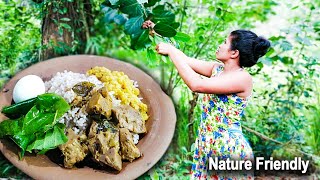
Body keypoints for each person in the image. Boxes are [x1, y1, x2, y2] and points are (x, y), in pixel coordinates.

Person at [155, 30, 270, 179]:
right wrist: (156, 32)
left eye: (224, 42)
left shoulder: (242, 78)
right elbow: (184, 60)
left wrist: (170, 51)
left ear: (234, 53)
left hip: (228, 149)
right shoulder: (217, 69)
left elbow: (197, 85)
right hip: (206, 145)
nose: (220, 45)